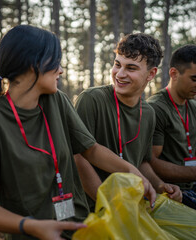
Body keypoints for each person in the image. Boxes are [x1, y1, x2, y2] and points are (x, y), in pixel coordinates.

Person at [0, 25, 155, 240]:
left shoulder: (57, 101)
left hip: (82, 229)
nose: (61, 70)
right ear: (33, 65)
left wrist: (134, 173)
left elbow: (91, 150)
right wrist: (32, 226)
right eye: (55, 62)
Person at [74, 33, 182, 212]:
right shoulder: (91, 99)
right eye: (117, 65)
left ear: (151, 74)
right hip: (92, 209)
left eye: (131, 68)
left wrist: (161, 186)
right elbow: (78, 157)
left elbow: (141, 162)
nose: (120, 74)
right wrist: (106, 205)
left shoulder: (148, 113)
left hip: (130, 207)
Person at [147, 44, 196, 220]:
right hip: (168, 193)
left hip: (193, 186)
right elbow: (151, 162)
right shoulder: (156, 109)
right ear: (174, 74)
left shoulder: (194, 107)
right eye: (195, 79)